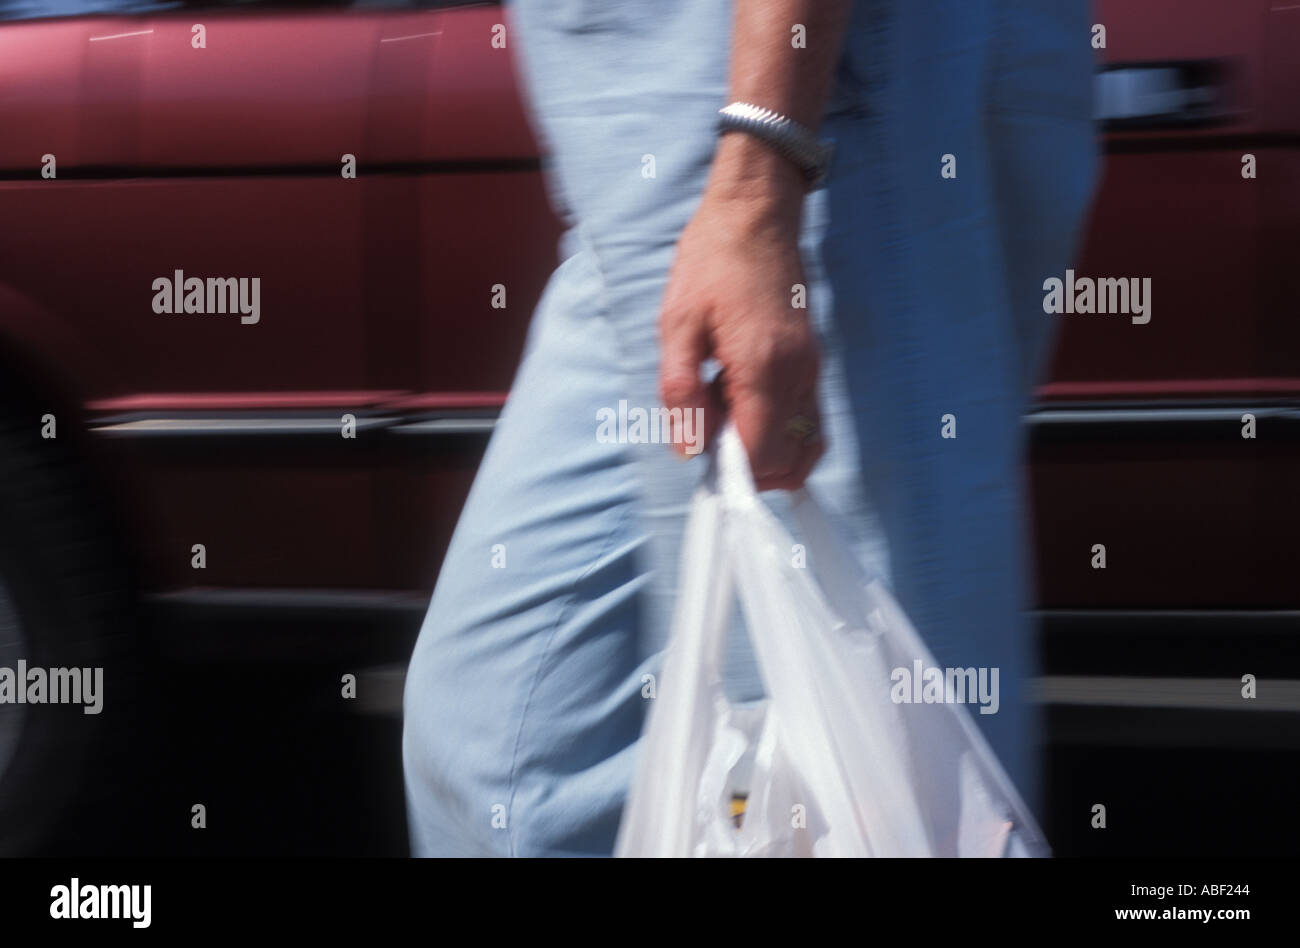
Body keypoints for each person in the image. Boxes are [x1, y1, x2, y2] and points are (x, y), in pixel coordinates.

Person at [403, 0, 1097, 856]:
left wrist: (762, 175)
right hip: (648, 167)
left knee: (837, 774)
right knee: (506, 744)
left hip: (796, 111)